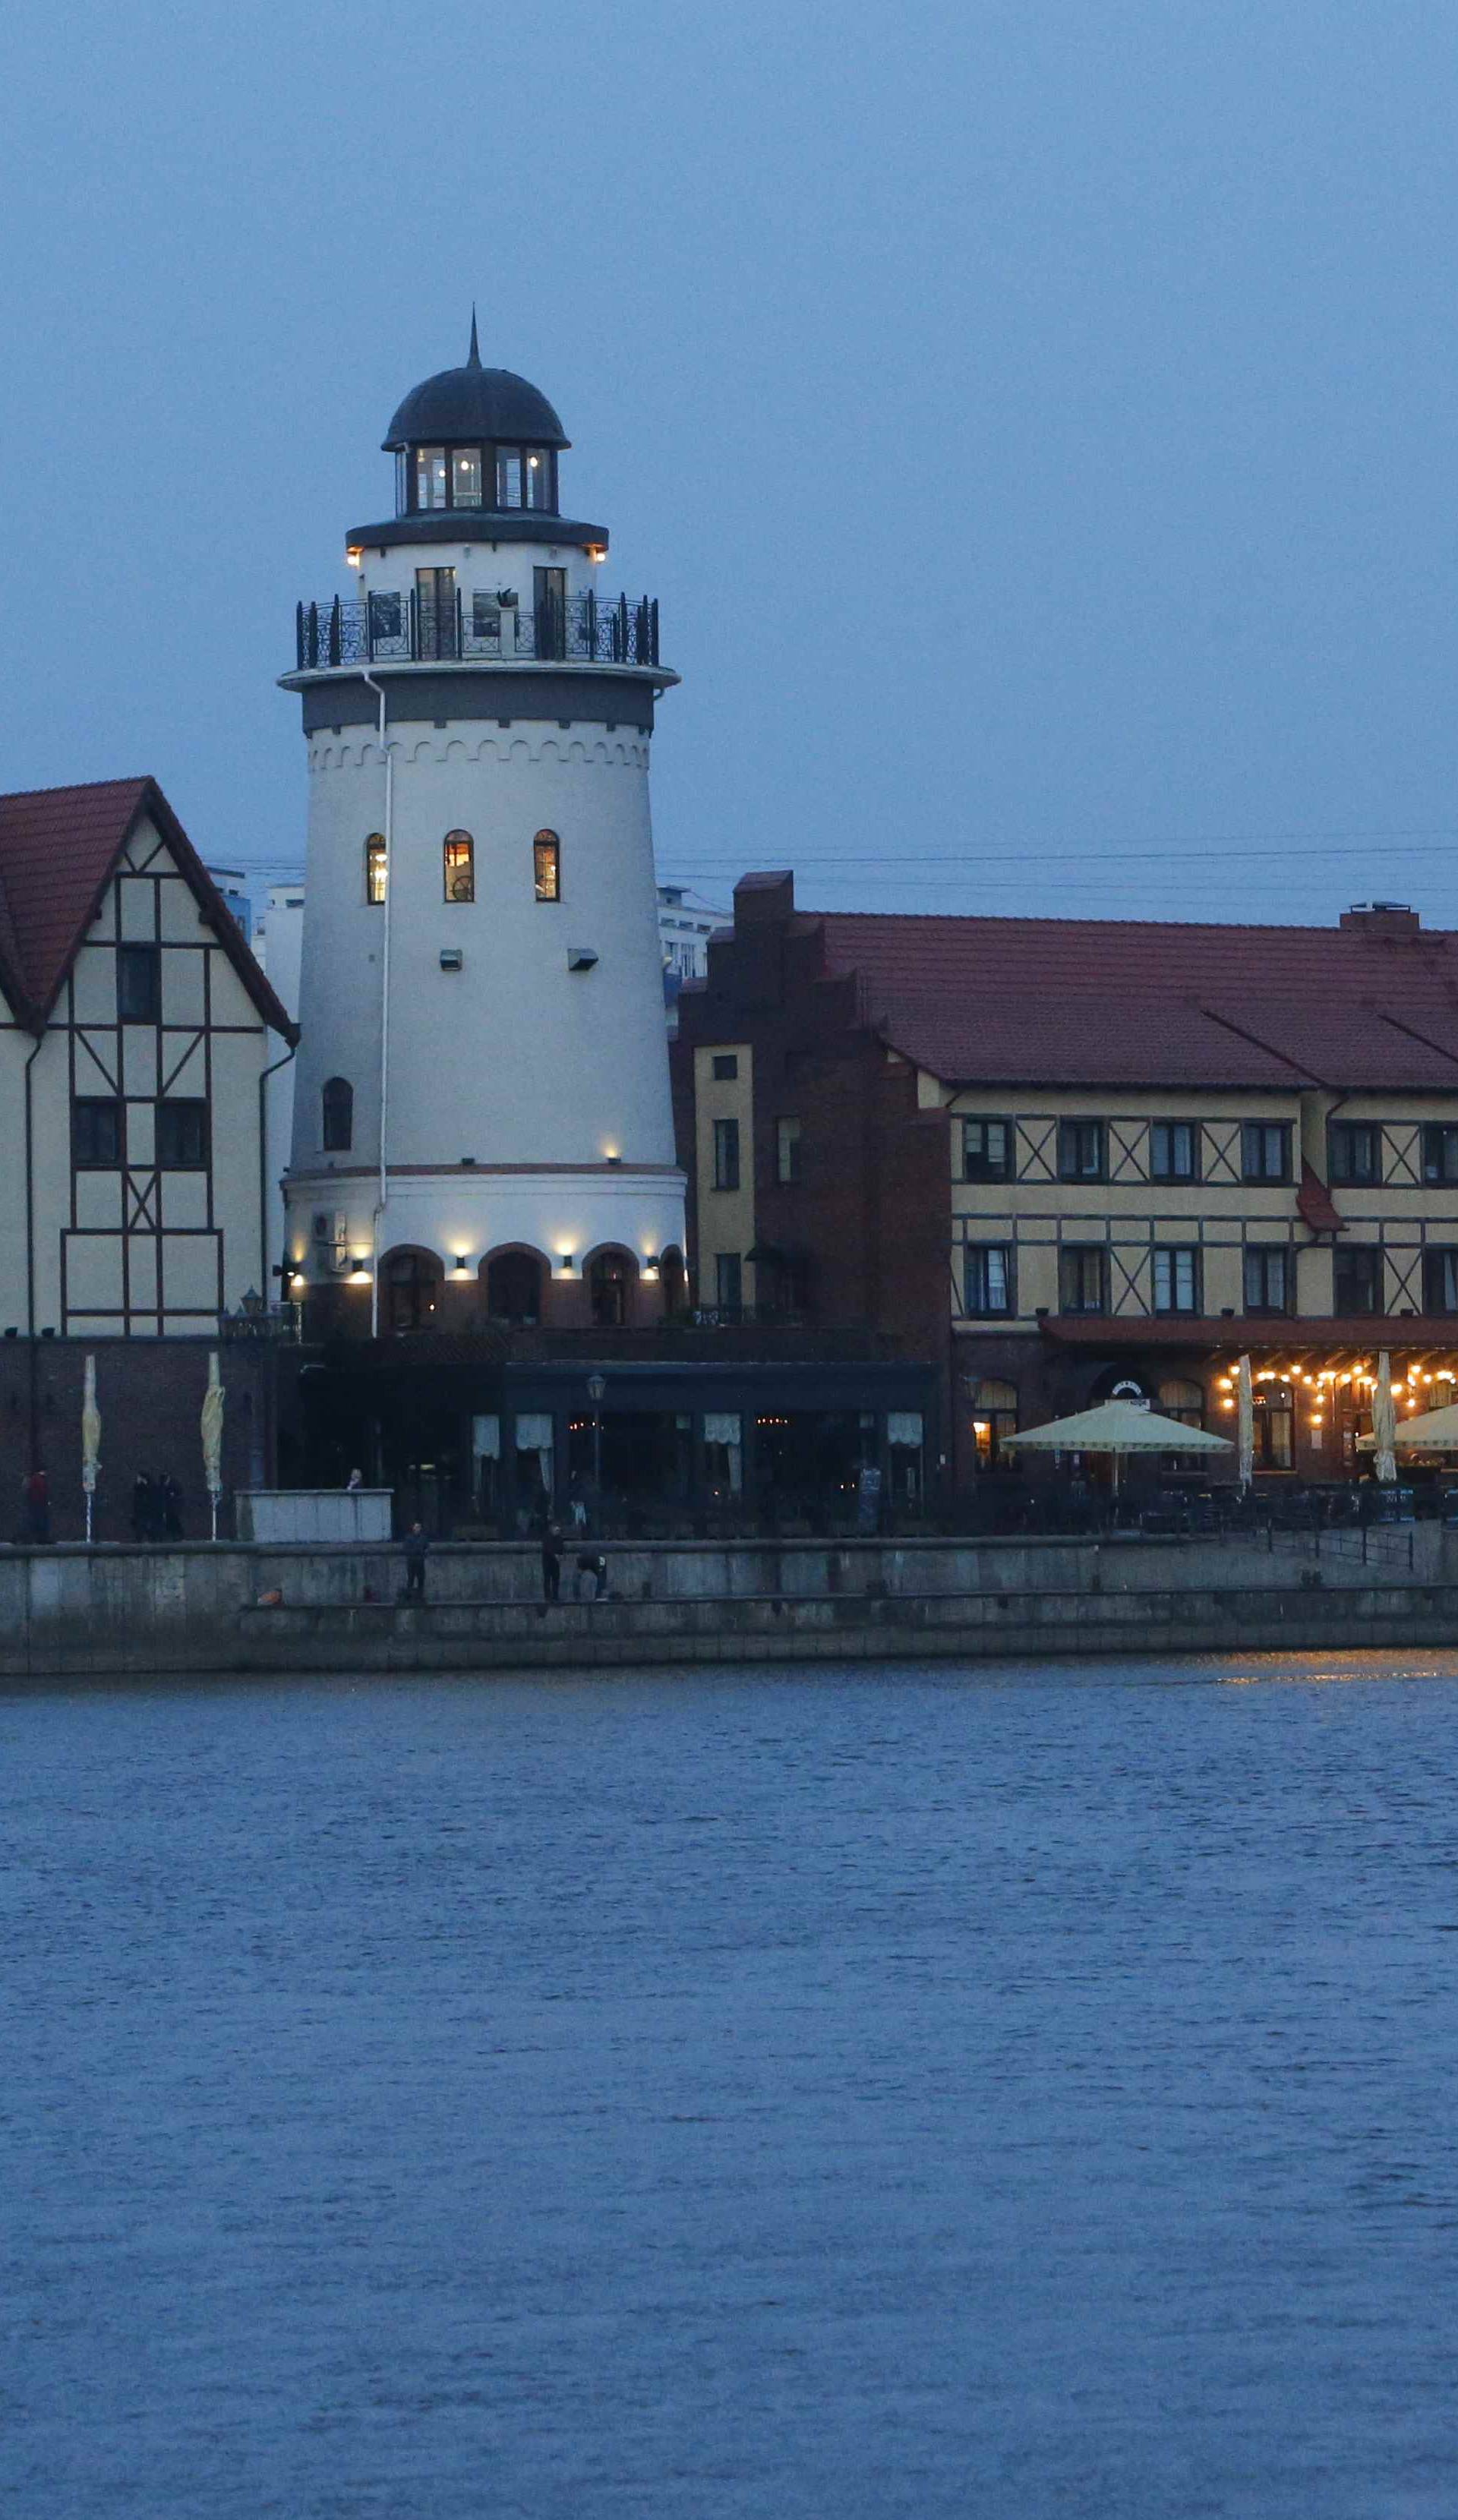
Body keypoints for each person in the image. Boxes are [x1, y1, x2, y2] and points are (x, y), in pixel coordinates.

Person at [402, 1520, 430, 1601]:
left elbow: (427, 1548)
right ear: (413, 1528)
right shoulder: (408, 1538)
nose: (418, 1529)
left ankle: (420, 1596)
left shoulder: (424, 1538)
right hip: (412, 1561)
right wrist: (415, 1551)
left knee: (421, 1579)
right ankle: (409, 1597)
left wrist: (424, 1553)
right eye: (416, 1527)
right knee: (411, 1578)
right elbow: (406, 1549)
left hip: (420, 1562)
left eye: (419, 1527)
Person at [22, 1467, 49, 1544]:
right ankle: (41, 1538)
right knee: (40, 1520)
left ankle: (30, 1538)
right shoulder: (39, 1479)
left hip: (33, 1503)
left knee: (32, 1520)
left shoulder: (31, 1479)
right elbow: (42, 1491)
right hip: (38, 1503)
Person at [541, 1525, 562, 1604]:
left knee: (556, 1579)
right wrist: (554, 1555)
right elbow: (547, 1548)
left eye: (559, 1531)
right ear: (552, 1530)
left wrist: (561, 1556)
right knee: (547, 1579)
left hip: (556, 1562)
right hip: (547, 1561)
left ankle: (555, 1596)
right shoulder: (546, 1537)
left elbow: (561, 1547)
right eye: (557, 1530)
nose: (558, 1532)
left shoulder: (559, 1538)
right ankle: (547, 1597)